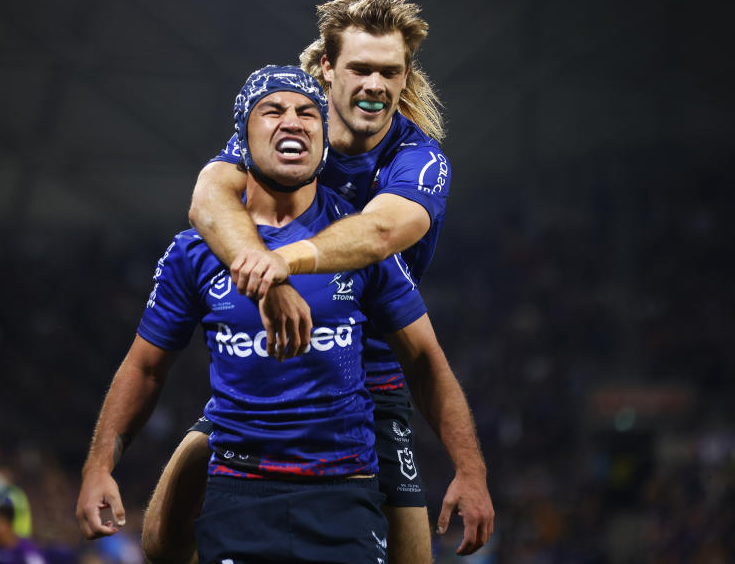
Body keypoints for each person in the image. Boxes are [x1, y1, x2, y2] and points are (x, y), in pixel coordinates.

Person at [76, 66, 489, 564]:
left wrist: (470, 470)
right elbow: (144, 367)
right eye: (272, 110)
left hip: (343, 495)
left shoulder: (356, 243)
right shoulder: (195, 252)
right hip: (239, 492)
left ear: (322, 138)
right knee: (159, 545)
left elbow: (426, 361)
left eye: (307, 112)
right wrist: (99, 466)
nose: (292, 121)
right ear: (241, 138)